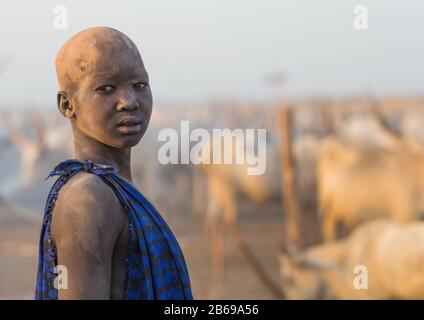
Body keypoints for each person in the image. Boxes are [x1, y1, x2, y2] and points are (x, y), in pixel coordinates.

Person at [35, 26, 193, 300]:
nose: (129, 102)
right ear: (67, 105)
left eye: (139, 85)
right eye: (106, 88)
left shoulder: (115, 188)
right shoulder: (86, 198)